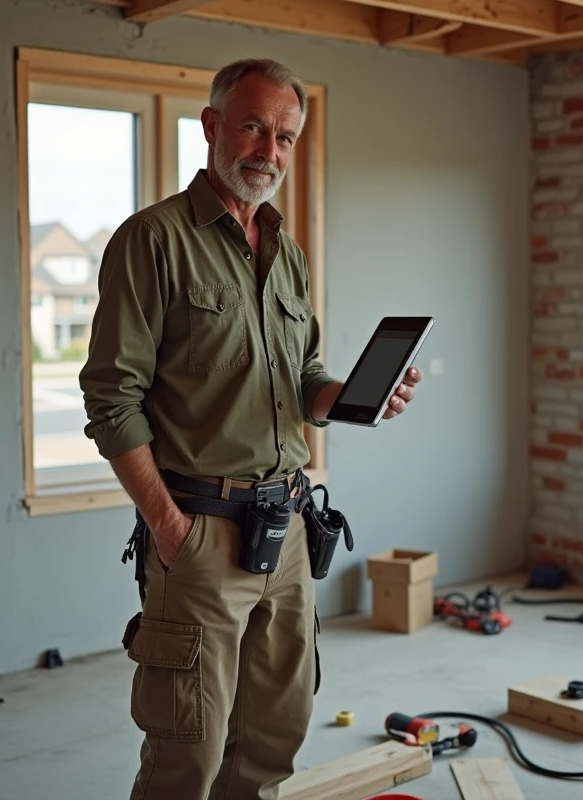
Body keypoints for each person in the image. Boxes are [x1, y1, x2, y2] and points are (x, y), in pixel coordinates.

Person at [79, 58, 422, 800]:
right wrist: (167, 524)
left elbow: (304, 387)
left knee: (273, 739)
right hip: (198, 536)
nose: (271, 150)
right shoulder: (152, 241)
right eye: (254, 127)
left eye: (287, 136)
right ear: (212, 127)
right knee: (187, 756)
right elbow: (111, 397)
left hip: (289, 529)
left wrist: (362, 398)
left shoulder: (287, 254)